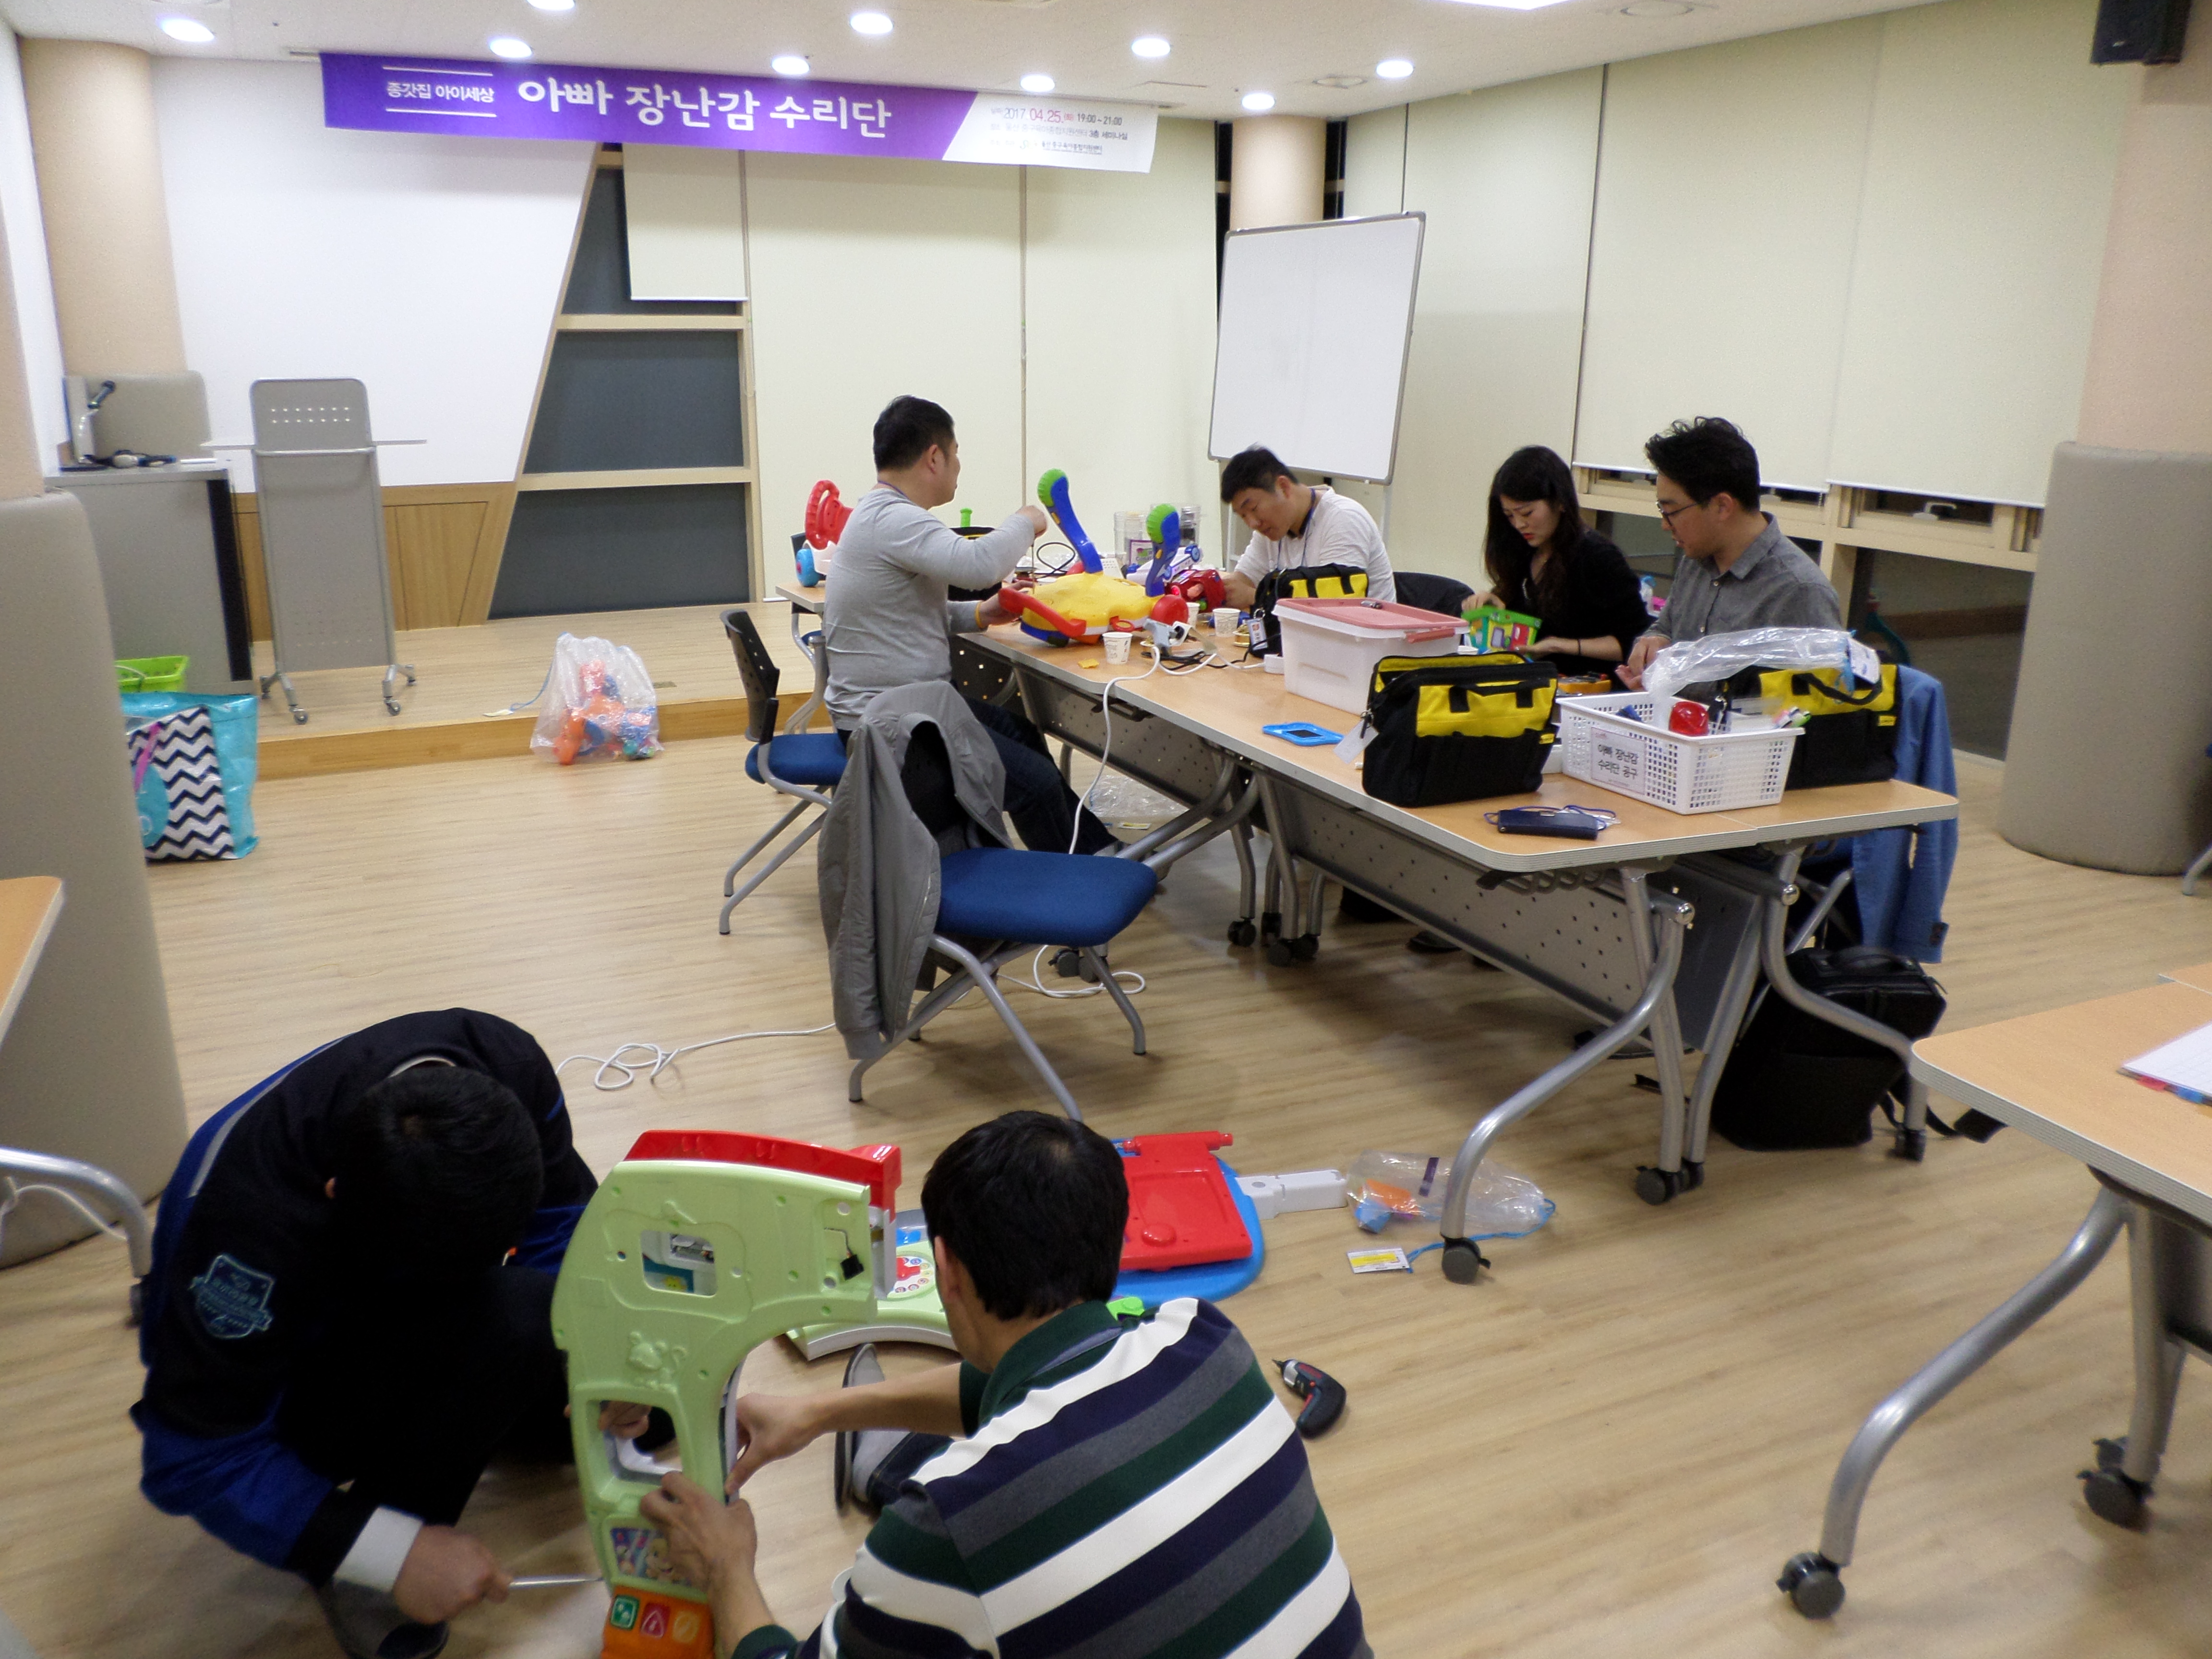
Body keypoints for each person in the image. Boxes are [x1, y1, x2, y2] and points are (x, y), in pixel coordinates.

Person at [637, 1111, 1370, 1659]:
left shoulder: (945, 1520)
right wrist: (817, 1412)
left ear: (946, 1269)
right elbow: (1028, 1387)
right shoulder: (1206, 1338)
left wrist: (726, 1568)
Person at [132, 1009, 634, 1659]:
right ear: (336, 1192)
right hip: (291, 1366)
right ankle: (365, 1570)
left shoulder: (508, 1064)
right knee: (516, 1316)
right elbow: (195, 1456)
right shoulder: (245, 1230)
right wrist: (386, 1550)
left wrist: (597, 1358)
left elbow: (559, 1222)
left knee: (592, 1367)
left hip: (398, 1276)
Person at [825, 395, 1118, 854]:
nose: (959, 465)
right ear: (934, 457)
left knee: (1020, 731)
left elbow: (906, 616)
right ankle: (1079, 876)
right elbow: (979, 565)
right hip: (893, 726)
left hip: (904, 708)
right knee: (1036, 785)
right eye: (956, 453)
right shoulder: (894, 519)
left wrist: (981, 614)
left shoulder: (880, 514)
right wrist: (1025, 521)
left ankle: (1096, 850)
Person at [1618, 418, 1841, 691]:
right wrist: (1654, 647)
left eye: (1671, 512)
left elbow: (1825, 703)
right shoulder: (1696, 559)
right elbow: (1665, 629)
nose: (1666, 525)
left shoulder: (1800, 590)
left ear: (1722, 506)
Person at [1471, 446, 1651, 682]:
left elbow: (1634, 642)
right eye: (1510, 515)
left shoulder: (1598, 557)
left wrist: (1558, 646)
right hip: (1540, 683)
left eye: (1527, 513)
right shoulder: (1523, 552)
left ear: (1560, 502)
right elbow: (1527, 632)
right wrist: (1497, 608)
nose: (1519, 525)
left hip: (1592, 689)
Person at [1219, 446, 1395, 612]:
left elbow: (1337, 607)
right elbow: (1244, 580)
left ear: (1284, 487)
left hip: (1363, 633)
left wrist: (1255, 597)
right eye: (1243, 516)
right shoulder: (1271, 529)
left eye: (1254, 509)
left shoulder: (1343, 519)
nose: (1252, 523)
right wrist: (1216, 589)